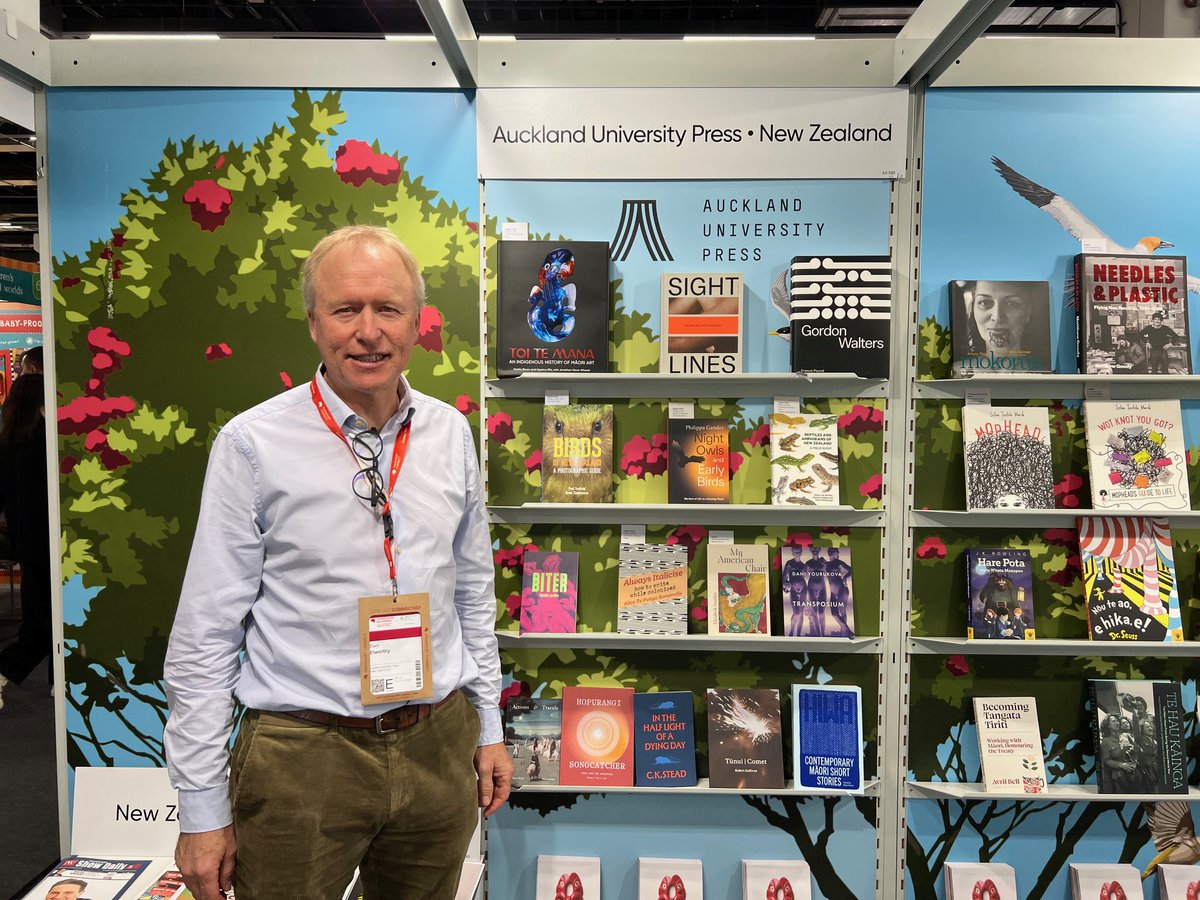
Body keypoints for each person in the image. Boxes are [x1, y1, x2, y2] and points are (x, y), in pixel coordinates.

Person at [163, 226, 512, 900]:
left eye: (388, 309)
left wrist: (488, 727)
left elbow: (471, 592)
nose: (368, 332)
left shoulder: (449, 433)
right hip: (302, 756)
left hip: (439, 739)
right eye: (345, 309)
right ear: (313, 321)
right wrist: (202, 809)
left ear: (417, 321)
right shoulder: (253, 445)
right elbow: (206, 633)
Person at [0, 373, 50, 707]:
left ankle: (58, 681)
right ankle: (6, 669)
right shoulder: (46, 442)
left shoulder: (8, 443)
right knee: (43, 627)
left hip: (27, 543)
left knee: (41, 619)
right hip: (51, 543)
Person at [962, 281, 1034, 357]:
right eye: (985, 302)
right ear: (973, 309)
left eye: (1011, 303)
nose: (997, 317)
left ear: (1028, 313)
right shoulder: (955, 368)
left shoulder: (1044, 368)